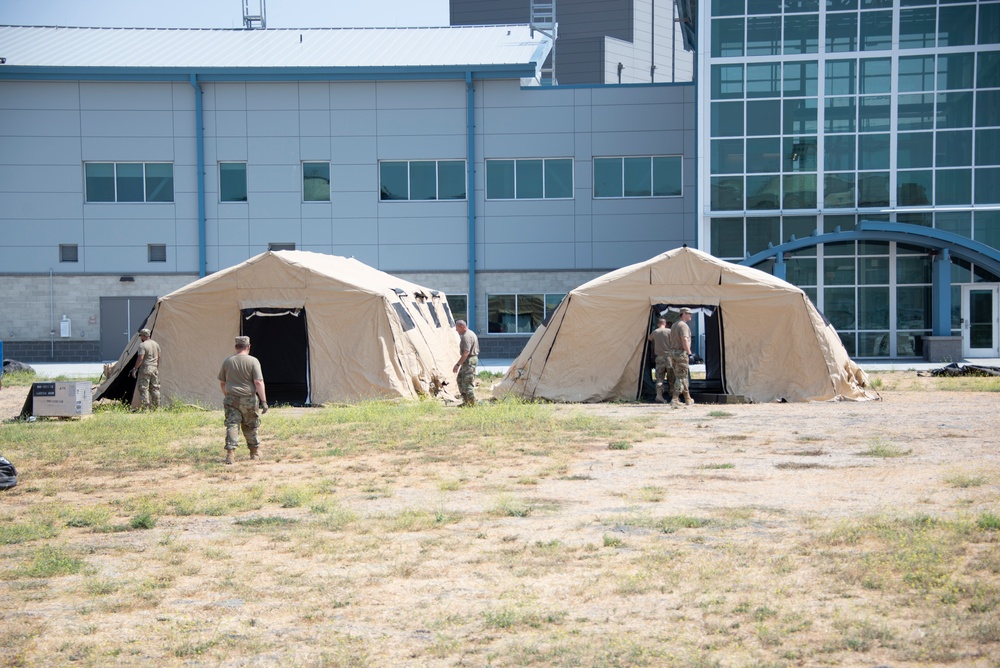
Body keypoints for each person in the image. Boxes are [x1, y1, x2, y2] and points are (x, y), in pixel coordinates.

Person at [218, 335, 268, 465]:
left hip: (231, 398)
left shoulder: (227, 362)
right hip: (249, 399)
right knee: (250, 425)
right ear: (249, 347)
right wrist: (264, 401)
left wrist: (227, 396)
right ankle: (254, 452)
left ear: (236, 347)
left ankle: (230, 453)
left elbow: (222, 382)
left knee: (232, 425)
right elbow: (258, 381)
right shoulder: (253, 361)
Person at [667, 307, 695, 408]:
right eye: (689, 314)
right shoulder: (683, 326)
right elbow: (684, 340)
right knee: (681, 376)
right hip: (681, 353)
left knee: (681, 376)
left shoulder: (674, 325)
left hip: (673, 352)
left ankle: (688, 398)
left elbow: (671, 339)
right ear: (683, 314)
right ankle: (675, 399)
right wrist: (689, 353)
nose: (691, 315)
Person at [129, 328, 161, 410]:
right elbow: (159, 357)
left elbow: (140, 358)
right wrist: (156, 366)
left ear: (143, 336)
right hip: (154, 368)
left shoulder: (142, 345)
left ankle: (145, 408)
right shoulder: (156, 344)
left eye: (141, 336)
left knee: (144, 389)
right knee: (155, 388)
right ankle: (156, 407)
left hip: (145, 369)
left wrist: (135, 369)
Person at [452, 320, 479, 407]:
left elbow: (466, 352)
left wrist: (457, 364)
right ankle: (466, 401)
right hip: (468, 360)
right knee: (460, 379)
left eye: (457, 328)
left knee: (467, 382)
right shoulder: (469, 334)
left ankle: (472, 403)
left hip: (469, 360)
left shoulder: (467, 336)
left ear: (462, 327)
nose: (456, 330)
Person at [647, 317, 673, 404]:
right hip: (669, 357)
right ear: (665, 324)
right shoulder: (670, 331)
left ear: (658, 324)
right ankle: (673, 397)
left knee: (659, 378)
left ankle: (659, 396)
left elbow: (649, 338)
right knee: (671, 377)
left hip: (659, 358)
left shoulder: (655, 332)